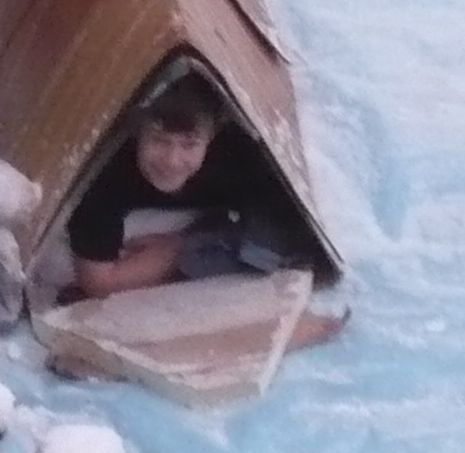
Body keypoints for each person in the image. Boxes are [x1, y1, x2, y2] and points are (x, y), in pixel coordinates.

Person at [65, 74, 311, 299]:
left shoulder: (240, 161)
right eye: (159, 140)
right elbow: (98, 284)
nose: (172, 161)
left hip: (203, 219)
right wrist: (175, 250)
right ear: (137, 132)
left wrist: (187, 243)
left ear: (211, 138)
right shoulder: (105, 174)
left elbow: (290, 240)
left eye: (189, 144)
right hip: (133, 220)